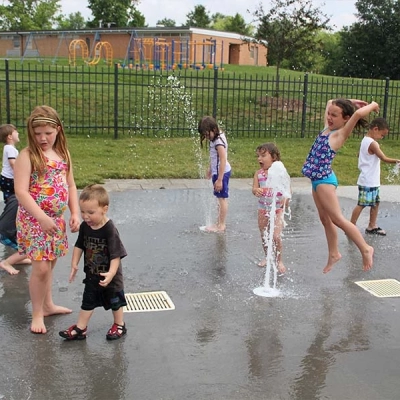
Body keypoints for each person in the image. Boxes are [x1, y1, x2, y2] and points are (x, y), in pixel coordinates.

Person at [14, 105, 80, 334]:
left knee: (50, 263)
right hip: (34, 220)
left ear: (58, 130)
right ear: (30, 132)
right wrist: (41, 218)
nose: (42, 138)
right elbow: (21, 192)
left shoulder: (63, 154)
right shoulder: (27, 155)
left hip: (55, 220)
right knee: (40, 268)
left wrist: (76, 212)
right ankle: (37, 313)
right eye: (37, 133)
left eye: (48, 133)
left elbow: (70, 185)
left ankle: (49, 304)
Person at [302, 98, 378, 273]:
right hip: (316, 181)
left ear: (345, 119)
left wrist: (372, 105)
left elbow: (358, 114)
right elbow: (329, 101)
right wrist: (350, 101)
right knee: (325, 219)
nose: (329, 117)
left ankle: (366, 249)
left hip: (325, 182)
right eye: (329, 114)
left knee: (337, 219)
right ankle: (334, 253)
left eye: (334, 115)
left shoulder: (339, 134)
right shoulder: (326, 129)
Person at [59, 184, 128, 341]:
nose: (86, 216)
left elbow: (116, 254)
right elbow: (79, 245)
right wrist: (74, 263)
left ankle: (119, 324)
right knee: (87, 301)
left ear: (104, 209)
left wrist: (111, 273)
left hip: (110, 275)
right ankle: (80, 328)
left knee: (115, 301)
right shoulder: (85, 226)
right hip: (92, 274)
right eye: (82, 212)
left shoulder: (109, 229)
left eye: (91, 212)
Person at [350, 118, 399, 236]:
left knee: (375, 203)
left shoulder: (365, 140)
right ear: (375, 129)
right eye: (382, 135)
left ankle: (372, 226)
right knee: (362, 204)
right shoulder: (372, 143)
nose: (382, 137)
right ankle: (350, 226)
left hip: (372, 180)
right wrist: (397, 161)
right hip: (368, 180)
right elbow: (384, 158)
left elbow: (360, 155)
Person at [252, 143, 290, 274]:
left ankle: (279, 260)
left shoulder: (280, 172)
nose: (259, 159)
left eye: (263, 156)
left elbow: (287, 189)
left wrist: (286, 199)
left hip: (277, 209)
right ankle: (268, 257)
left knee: (275, 236)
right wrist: (256, 190)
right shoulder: (258, 174)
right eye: (258, 156)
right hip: (262, 209)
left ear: (273, 157)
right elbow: (254, 188)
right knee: (264, 235)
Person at [198, 116, 231, 233]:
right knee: (219, 198)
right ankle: (219, 222)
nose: (206, 137)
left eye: (207, 134)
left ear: (213, 129)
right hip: (218, 172)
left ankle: (221, 225)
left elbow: (222, 159)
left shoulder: (218, 141)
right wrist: (210, 169)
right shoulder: (217, 136)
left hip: (221, 173)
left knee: (222, 199)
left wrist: (220, 179)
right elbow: (215, 157)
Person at [0, 194, 31, 275]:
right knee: (29, 249)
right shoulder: (26, 202)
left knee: (23, 247)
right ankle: (6, 263)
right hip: (6, 233)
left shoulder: (14, 197)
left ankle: (17, 260)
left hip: (2, 229)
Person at [0, 124, 20, 203]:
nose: (18, 133)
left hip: (6, 178)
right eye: (16, 132)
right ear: (10, 137)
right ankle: (10, 212)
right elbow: (12, 163)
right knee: (12, 199)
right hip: (9, 179)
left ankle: (10, 210)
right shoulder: (10, 148)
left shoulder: (8, 147)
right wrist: (20, 173)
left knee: (10, 198)